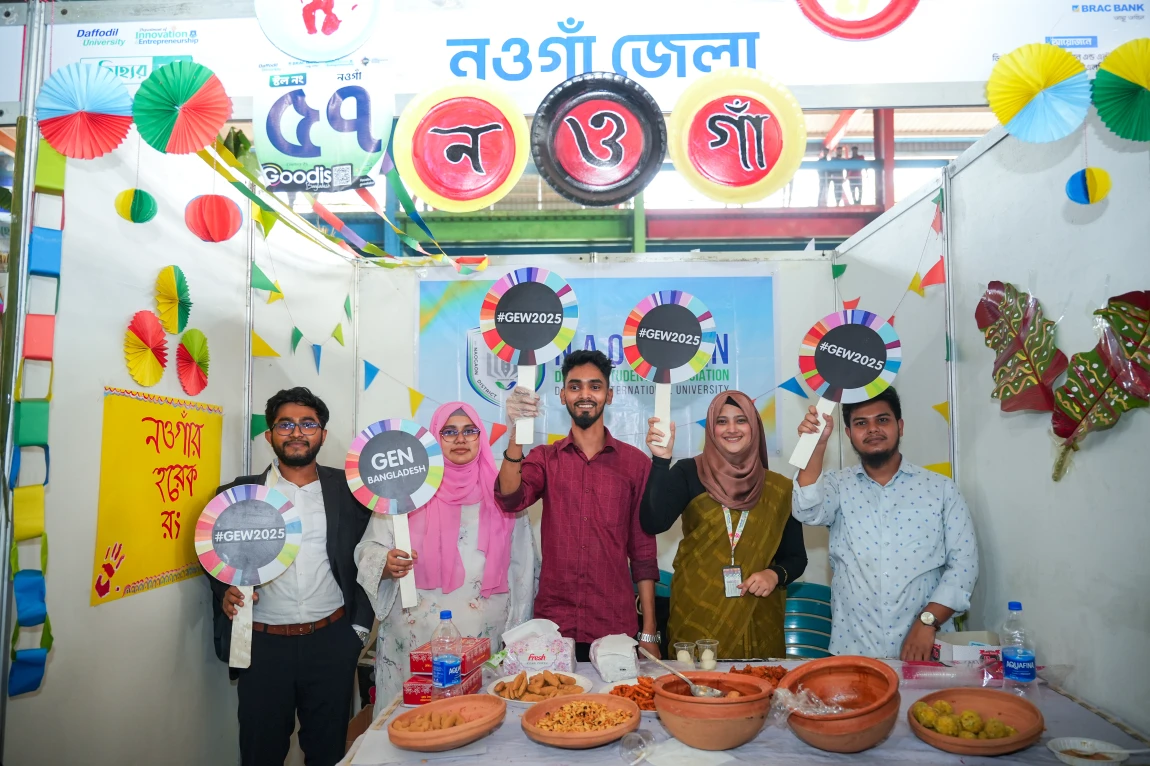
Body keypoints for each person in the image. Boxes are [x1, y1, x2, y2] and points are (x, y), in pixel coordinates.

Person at [209, 387, 373, 766]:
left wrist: (358, 633)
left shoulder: (351, 491)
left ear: (323, 434)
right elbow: (213, 553)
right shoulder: (237, 494)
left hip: (332, 643)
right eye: (285, 424)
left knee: (328, 753)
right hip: (262, 648)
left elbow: (370, 552)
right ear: (269, 435)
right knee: (260, 753)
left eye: (307, 424)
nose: (296, 432)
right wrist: (224, 589)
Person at [354, 402, 536, 713]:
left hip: (483, 634)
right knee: (414, 723)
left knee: (477, 718)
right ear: (434, 439)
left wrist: (519, 631)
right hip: (414, 633)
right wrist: (385, 562)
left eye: (469, 431)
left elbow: (524, 566)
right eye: (449, 432)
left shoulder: (503, 490)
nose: (460, 439)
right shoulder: (406, 489)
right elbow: (367, 549)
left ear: (481, 437)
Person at [496, 349, 661, 660]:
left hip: (614, 623)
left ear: (609, 395)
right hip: (554, 627)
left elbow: (643, 551)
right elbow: (510, 498)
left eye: (595, 386)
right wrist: (516, 433)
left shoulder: (636, 464)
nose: (585, 394)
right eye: (575, 386)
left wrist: (649, 631)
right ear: (563, 396)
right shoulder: (545, 458)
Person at [792, 387, 979, 660]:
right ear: (848, 433)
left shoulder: (940, 489)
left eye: (882, 420)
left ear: (900, 426)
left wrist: (928, 621)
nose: (873, 429)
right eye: (861, 423)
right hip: (853, 651)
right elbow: (806, 510)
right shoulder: (837, 486)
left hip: (927, 650)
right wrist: (817, 445)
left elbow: (964, 566)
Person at [640, 392, 807, 658]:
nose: (731, 429)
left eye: (741, 420)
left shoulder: (779, 489)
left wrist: (774, 575)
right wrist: (660, 461)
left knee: (759, 683)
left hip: (758, 617)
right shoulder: (688, 472)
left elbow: (797, 558)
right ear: (711, 428)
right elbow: (652, 522)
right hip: (697, 612)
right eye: (721, 421)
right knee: (694, 683)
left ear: (754, 427)